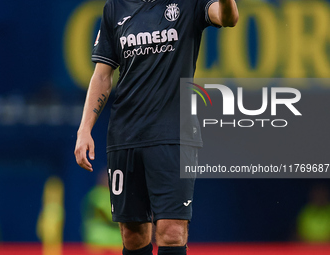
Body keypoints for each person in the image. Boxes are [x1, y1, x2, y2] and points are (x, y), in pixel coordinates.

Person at [74, 0, 238, 254]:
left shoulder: (189, 3)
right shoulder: (115, 8)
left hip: (174, 134)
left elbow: (228, 18)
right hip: (125, 135)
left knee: (171, 231)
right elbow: (102, 75)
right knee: (133, 234)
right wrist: (84, 129)